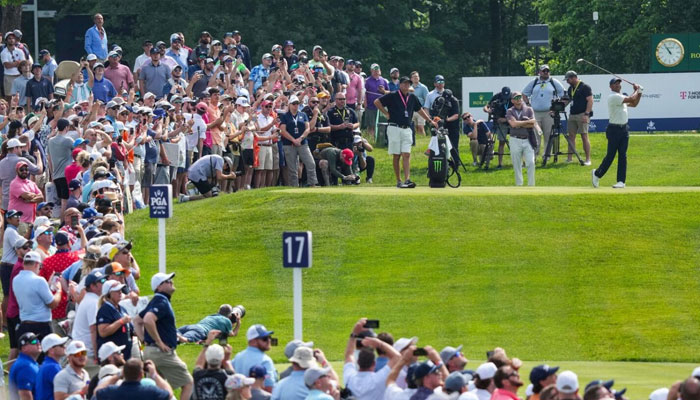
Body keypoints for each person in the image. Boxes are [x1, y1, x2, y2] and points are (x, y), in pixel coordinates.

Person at [135, 272, 193, 400]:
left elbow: (137, 321)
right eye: (167, 281)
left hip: (152, 352)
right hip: (161, 353)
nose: (171, 282)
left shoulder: (156, 300)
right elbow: (147, 320)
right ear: (159, 287)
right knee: (188, 383)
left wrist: (145, 340)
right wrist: (159, 342)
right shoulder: (161, 300)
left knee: (156, 391)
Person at [375, 76, 436, 188]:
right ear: (400, 85)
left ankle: (407, 179)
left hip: (407, 128)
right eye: (404, 84)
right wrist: (386, 113)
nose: (406, 86)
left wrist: (429, 120)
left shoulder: (412, 97)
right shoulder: (393, 95)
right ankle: (398, 180)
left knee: (406, 154)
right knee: (397, 155)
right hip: (394, 127)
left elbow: (419, 109)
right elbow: (377, 102)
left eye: (408, 84)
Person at [592, 79, 642, 189]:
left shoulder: (621, 97)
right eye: (615, 83)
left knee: (623, 155)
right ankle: (597, 174)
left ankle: (621, 181)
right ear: (611, 86)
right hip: (614, 129)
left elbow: (634, 104)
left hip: (624, 129)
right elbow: (631, 98)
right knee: (610, 156)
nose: (618, 85)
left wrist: (640, 93)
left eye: (619, 83)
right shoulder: (613, 97)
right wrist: (637, 90)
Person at [343, 318, 401, 400]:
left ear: (358, 362)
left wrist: (354, 333)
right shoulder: (378, 379)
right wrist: (380, 344)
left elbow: (349, 355)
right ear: (374, 363)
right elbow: (397, 357)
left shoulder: (350, 378)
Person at [13, 251, 62, 341]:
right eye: (40, 266)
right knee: (44, 354)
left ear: (24, 264)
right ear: (36, 264)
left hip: (24, 325)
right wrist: (59, 290)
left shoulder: (16, 279)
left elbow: (32, 295)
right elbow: (53, 304)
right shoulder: (39, 280)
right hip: (41, 326)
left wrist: (47, 285)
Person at [522, 65, 565, 157]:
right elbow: (524, 94)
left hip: (549, 113)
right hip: (535, 113)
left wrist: (557, 107)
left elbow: (564, 95)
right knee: (535, 134)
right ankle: (534, 154)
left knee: (548, 134)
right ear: (539, 72)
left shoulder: (554, 82)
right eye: (544, 71)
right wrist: (528, 105)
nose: (546, 72)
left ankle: (547, 155)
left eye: (547, 71)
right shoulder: (534, 82)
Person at [71, 270, 107, 374]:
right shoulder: (93, 303)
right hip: (88, 354)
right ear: (93, 286)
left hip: (83, 350)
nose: (104, 282)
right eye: (102, 281)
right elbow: (93, 330)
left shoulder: (90, 299)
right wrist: (96, 355)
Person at [279, 95, 319, 187]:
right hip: (289, 144)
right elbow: (283, 130)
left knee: (310, 163)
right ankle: (294, 186)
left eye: (297, 103)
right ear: (289, 105)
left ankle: (312, 183)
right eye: (294, 103)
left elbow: (308, 128)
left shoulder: (303, 115)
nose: (296, 105)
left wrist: (300, 139)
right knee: (292, 167)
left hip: (302, 143)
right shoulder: (285, 116)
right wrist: (293, 140)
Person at [95, 359, 173, 399]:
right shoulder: (150, 391)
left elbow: (96, 392)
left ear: (124, 373)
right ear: (141, 374)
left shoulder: (112, 391)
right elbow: (169, 394)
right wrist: (154, 374)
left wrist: (118, 375)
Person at [232, 324, 278, 392]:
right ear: (253, 341)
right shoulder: (265, 360)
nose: (269, 340)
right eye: (264, 338)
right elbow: (269, 388)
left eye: (269, 337)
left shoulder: (237, 357)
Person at [505, 91, 537, 186]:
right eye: (516, 98)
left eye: (520, 97)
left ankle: (531, 185)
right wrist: (525, 122)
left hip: (527, 139)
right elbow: (513, 124)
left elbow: (532, 123)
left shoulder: (529, 110)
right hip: (515, 139)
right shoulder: (510, 111)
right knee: (517, 164)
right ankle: (519, 185)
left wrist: (519, 123)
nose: (519, 99)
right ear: (512, 100)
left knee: (531, 162)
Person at [193, 330, 234, 400]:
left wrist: (208, 342)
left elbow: (199, 364)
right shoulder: (227, 375)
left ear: (206, 358)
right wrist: (227, 358)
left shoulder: (198, 375)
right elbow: (230, 369)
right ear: (222, 358)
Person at [563, 71, 593, 165]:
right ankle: (569, 158)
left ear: (573, 77)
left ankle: (588, 159)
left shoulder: (585, 87)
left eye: (568, 79)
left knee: (584, 136)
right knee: (571, 136)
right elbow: (568, 101)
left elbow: (590, 101)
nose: (567, 81)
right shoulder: (570, 88)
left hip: (582, 114)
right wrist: (557, 108)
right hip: (572, 115)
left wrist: (586, 114)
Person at [47, 118, 75, 212]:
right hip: (66, 175)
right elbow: (77, 152)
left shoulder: (50, 141)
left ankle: (62, 222)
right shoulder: (68, 140)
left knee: (62, 201)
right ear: (66, 127)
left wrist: (52, 175)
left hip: (56, 175)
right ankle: (63, 223)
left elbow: (49, 159)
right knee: (65, 201)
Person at [483, 87, 513, 169]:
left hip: (512, 121)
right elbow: (487, 106)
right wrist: (488, 110)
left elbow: (518, 112)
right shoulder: (497, 96)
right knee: (501, 142)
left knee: (517, 141)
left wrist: (506, 119)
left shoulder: (513, 97)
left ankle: (521, 162)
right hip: (500, 121)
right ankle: (500, 164)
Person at [8, 332, 42, 400]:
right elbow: (25, 394)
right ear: (24, 348)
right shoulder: (25, 366)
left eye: (38, 340)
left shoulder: (28, 363)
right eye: (34, 341)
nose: (38, 343)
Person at [36, 334, 70, 400]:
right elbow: (65, 391)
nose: (64, 347)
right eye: (61, 345)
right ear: (51, 350)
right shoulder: (52, 367)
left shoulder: (46, 365)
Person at [363, 64, 389, 138]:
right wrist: (365, 104)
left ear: (380, 71)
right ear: (371, 71)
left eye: (377, 70)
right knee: (370, 125)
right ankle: (371, 140)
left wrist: (383, 91)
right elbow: (364, 93)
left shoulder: (384, 81)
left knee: (381, 124)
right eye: (374, 70)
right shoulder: (367, 81)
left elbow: (388, 92)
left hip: (381, 107)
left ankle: (380, 138)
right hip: (370, 106)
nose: (376, 72)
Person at [410, 72, 429, 136]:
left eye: (417, 76)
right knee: (414, 127)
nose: (416, 78)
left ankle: (423, 139)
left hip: (421, 110)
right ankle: (416, 140)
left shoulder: (423, 87)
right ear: (411, 79)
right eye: (414, 77)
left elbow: (427, 99)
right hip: (412, 110)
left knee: (421, 127)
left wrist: (426, 110)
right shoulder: (409, 88)